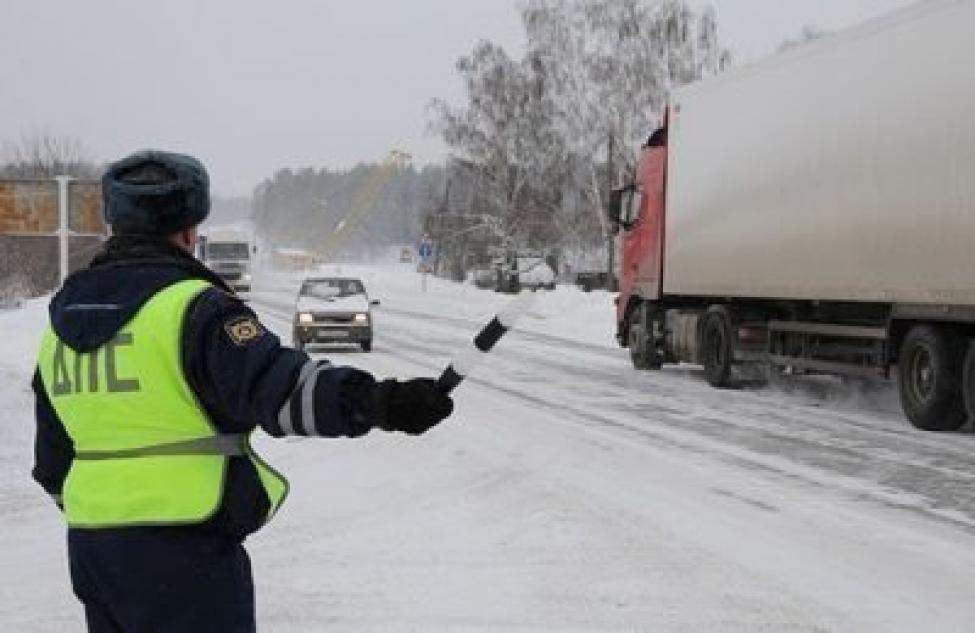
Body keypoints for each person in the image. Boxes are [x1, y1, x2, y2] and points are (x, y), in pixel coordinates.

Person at [30, 150, 454, 632]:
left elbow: (51, 461)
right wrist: (382, 403)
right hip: (186, 547)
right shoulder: (195, 310)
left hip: (94, 552)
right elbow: (283, 391)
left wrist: (104, 511)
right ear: (189, 231)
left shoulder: (58, 328)